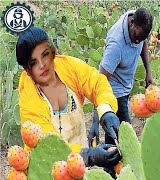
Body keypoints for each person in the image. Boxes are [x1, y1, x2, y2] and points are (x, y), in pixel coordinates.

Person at [16, 26, 121, 177]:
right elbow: (48, 146)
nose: (42, 65)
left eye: (45, 55)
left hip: (78, 165)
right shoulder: (28, 99)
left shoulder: (69, 67)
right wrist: (88, 156)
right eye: (33, 62)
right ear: (27, 70)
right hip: (47, 169)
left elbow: (96, 83)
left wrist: (106, 111)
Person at [91, 7, 153, 145]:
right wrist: (95, 121)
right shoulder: (116, 46)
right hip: (114, 93)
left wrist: (148, 72)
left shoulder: (137, 22)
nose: (138, 42)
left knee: (114, 135)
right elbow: (99, 82)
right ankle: (112, 165)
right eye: (137, 38)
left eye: (141, 39)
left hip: (125, 86)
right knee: (125, 134)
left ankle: (111, 162)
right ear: (131, 24)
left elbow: (143, 42)